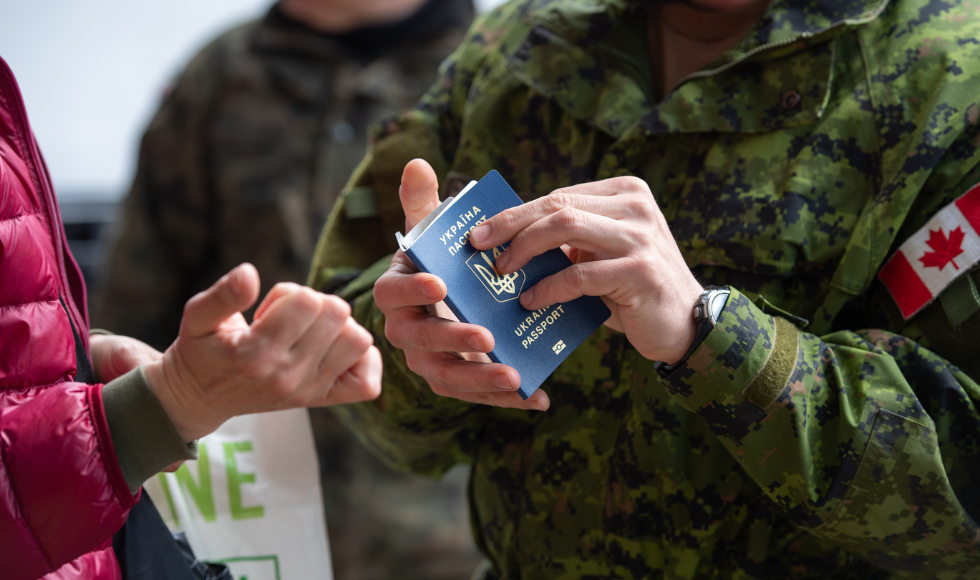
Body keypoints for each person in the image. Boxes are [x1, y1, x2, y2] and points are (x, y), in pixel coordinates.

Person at [308, 0, 980, 576]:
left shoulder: (955, 78)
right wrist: (417, 345)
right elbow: (343, 356)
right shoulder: (522, 42)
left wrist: (711, 336)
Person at [94, 0, 482, 578]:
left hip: (442, 541)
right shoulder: (221, 76)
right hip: (241, 534)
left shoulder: (493, 74)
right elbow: (128, 323)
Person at [0, 56, 381, 580]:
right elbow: (140, 282)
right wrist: (164, 405)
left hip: (410, 536)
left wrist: (82, 355)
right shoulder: (216, 77)